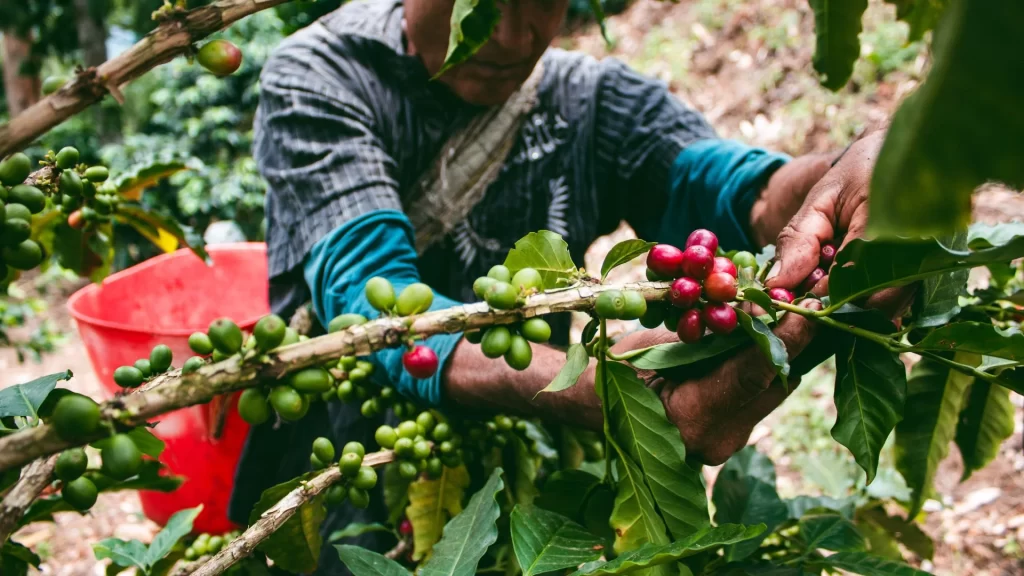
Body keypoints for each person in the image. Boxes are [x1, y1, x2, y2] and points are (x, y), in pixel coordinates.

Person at [228, 0, 886, 571]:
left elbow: (746, 193)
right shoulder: (323, 77)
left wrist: (846, 178)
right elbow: (375, 304)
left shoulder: (592, 104)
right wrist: (606, 389)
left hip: (515, 455)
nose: (513, 35)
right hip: (337, 463)